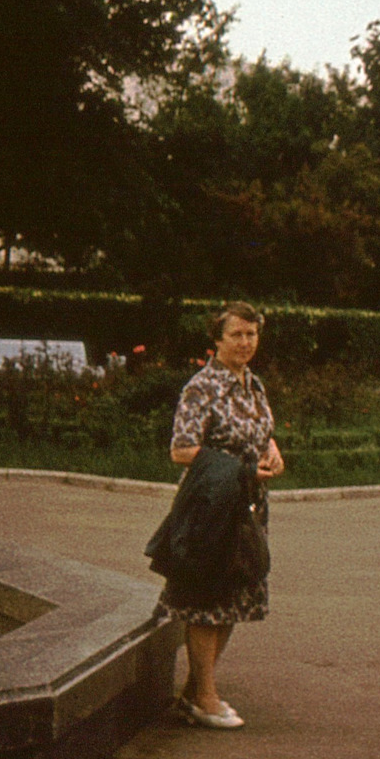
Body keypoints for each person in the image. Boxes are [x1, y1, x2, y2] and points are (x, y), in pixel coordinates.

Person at [158, 303, 284, 729]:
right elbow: (181, 450)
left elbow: (262, 433)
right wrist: (243, 469)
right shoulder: (201, 388)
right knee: (206, 599)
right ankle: (206, 698)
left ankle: (195, 693)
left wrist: (273, 452)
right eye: (237, 335)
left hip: (247, 507)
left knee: (233, 597)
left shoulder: (254, 385)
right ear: (217, 340)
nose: (246, 343)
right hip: (211, 508)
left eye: (252, 335)